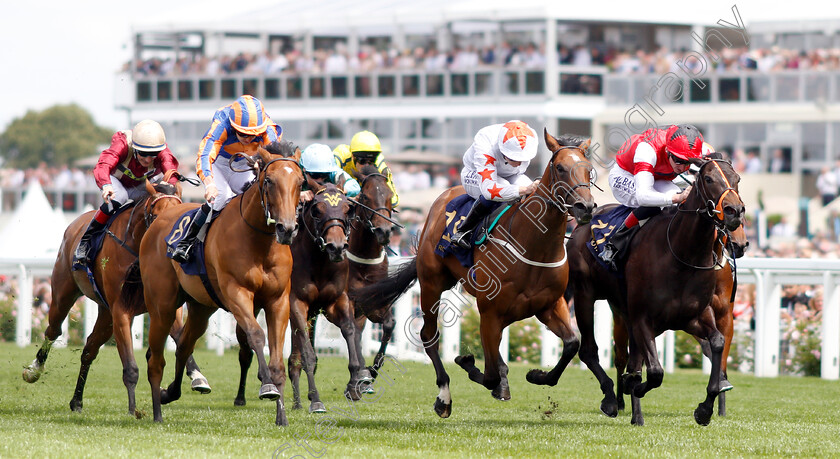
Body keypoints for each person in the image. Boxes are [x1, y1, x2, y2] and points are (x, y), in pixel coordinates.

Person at [171, 95, 282, 263]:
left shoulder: (268, 129)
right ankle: (187, 241)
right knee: (220, 196)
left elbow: (275, 159)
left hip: (244, 162)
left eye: (253, 134)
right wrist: (209, 184)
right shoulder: (222, 123)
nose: (248, 138)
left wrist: (261, 164)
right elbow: (206, 155)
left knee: (258, 194)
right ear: (233, 126)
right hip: (218, 163)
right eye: (243, 133)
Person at [599, 124, 704, 271]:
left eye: (688, 162)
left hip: (656, 176)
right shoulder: (647, 150)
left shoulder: (691, 147)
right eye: (679, 161)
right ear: (668, 151)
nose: (683, 168)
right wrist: (675, 198)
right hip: (625, 175)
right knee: (659, 202)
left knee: (685, 199)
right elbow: (643, 197)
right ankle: (615, 244)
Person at [75, 119, 179, 265]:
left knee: (166, 200)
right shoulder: (122, 144)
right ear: (135, 148)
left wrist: (170, 185)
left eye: (153, 154)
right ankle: (86, 240)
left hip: (140, 185)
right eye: (143, 153)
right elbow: (103, 165)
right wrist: (106, 185)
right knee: (121, 197)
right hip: (116, 182)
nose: (148, 159)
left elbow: (171, 171)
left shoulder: (163, 151)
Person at [450, 120, 540, 249]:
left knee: (533, 192)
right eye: (515, 158)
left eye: (523, 158)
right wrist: (524, 189)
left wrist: (530, 188)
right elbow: (489, 190)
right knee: (503, 186)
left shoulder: (529, 136)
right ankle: (464, 231)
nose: (520, 163)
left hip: (511, 174)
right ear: (503, 151)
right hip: (475, 173)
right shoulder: (486, 144)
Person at [334, 131, 399, 208]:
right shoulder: (339, 157)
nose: (367, 165)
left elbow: (394, 201)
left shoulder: (380, 165)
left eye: (372, 161)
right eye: (362, 161)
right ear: (352, 156)